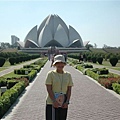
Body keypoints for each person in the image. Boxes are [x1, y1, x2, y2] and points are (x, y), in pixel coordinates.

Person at [45, 54, 73, 120]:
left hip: (63, 103)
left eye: (62, 63)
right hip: (52, 103)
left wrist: (67, 102)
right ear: (54, 64)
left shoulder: (68, 75)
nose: (60, 65)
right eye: (58, 63)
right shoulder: (51, 74)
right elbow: (49, 88)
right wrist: (54, 101)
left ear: (64, 64)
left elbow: (69, 90)